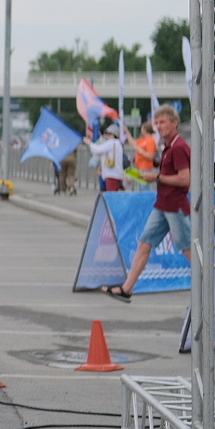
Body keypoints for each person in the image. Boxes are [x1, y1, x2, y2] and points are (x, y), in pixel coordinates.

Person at [105, 105, 190, 302]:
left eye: (163, 122)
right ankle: (127, 288)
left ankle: (211, 287)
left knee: (188, 249)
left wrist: (157, 177)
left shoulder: (178, 147)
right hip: (163, 204)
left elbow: (185, 179)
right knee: (144, 243)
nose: (159, 126)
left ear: (174, 123)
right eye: (156, 123)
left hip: (175, 205)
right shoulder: (168, 146)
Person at [86, 119, 124, 192]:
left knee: (111, 194)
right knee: (114, 192)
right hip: (117, 173)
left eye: (109, 134)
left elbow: (97, 149)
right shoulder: (118, 143)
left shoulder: (111, 143)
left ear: (114, 134)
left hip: (111, 173)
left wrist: (90, 143)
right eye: (106, 134)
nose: (107, 136)